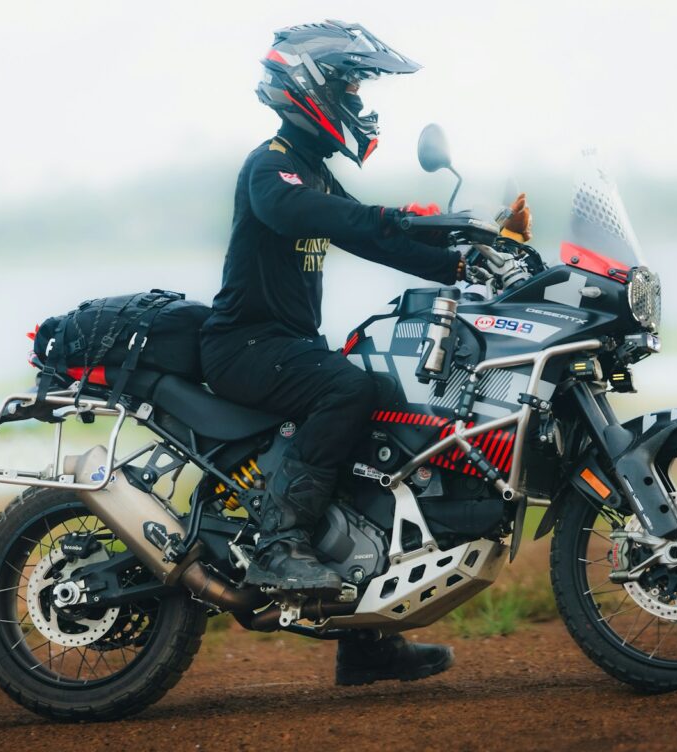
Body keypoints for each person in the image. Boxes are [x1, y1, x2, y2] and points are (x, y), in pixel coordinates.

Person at [200, 20, 527, 686]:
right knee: (348, 390)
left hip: (284, 346)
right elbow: (327, 220)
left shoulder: (312, 172)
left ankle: (365, 640)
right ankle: (280, 548)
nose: (359, 98)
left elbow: (377, 241)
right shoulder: (273, 166)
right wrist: (405, 217)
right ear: (312, 87)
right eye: (351, 83)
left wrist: (466, 263)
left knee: (377, 408)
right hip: (241, 348)